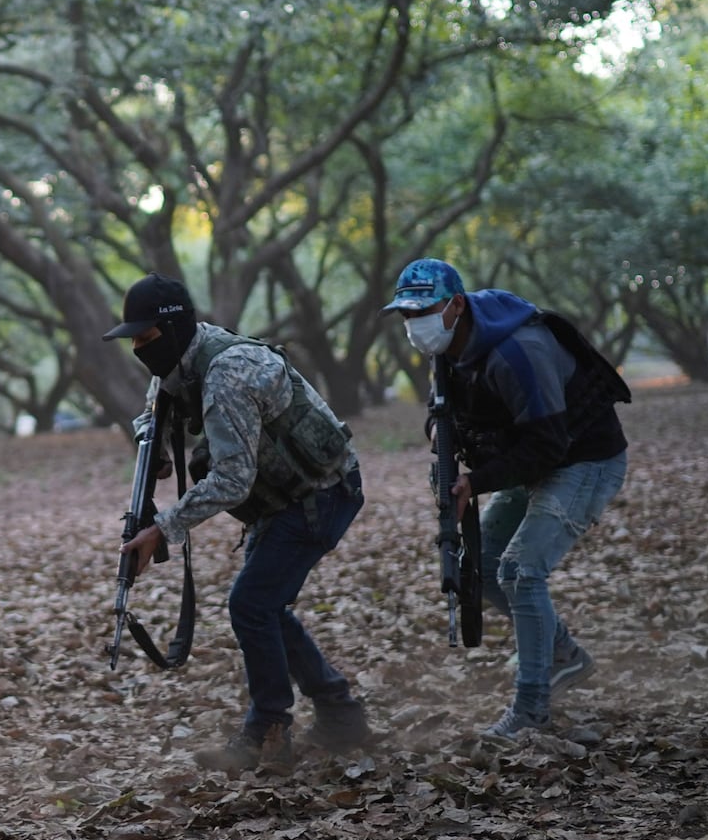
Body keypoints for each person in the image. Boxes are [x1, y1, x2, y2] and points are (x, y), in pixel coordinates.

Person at [108, 274, 372, 771]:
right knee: (265, 605)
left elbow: (232, 479)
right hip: (281, 500)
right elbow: (152, 412)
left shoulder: (229, 372)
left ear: (175, 328)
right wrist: (156, 443)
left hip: (321, 493)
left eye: (146, 338)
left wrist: (163, 527)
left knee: (251, 603)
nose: (141, 350)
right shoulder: (179, 360)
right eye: (135, 340)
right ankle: (340, 713)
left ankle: (268, 730)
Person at [382, 258, 631, 739]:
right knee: (486, 562)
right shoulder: (449, 347)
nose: (413, 325)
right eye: (405, 316)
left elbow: (547, 446)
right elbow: (444, 412)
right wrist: (441, 438)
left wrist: (474, 485)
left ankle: (531, 710)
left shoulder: (519, 353)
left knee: (520, 570)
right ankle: (562, 655)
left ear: (456, 305)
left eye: (423, 312)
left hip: (585, 460)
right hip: (535, 459)